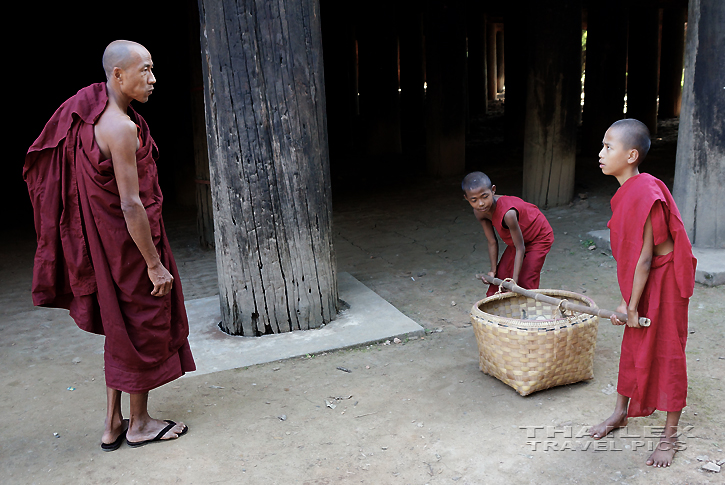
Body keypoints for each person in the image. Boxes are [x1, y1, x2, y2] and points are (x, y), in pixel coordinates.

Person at [23, 40, 195, 451]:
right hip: (130, 249)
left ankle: (112, 422)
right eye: (145, 71)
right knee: (143, 323)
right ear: (118, 75)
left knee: (119, 327)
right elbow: (131, 203)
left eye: (153, 70)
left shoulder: (89, 115)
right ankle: (139, 424)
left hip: (104, 248)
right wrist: (154, 263)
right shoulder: (121, 128)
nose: (153, 80)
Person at [588, 119, 696, 467]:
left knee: (668, 351)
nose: (601, 153)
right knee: (632, 344)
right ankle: (620, 412)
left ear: (631, 155)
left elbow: (646, 256)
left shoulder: (644, 190)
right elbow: (634, 255)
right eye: (603, 146)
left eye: (608, 146)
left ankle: (669, 435)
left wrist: (631, 306)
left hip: (663, 282)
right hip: (643, 280)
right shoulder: (627, 191)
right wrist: (626, 301)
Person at [462, 172, 554, 297]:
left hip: (538, 236)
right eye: (474, 200)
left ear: (493, 190)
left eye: (484, 196)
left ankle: (525, 314)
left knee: (525, 281)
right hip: (517, 239)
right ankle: (499, 314)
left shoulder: (508, 213)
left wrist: (514, 283)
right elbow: (492, 241)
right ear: (466, 198)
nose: (481, 203)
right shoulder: (479, 212)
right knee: (501, 276)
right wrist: (493, 270)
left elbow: (520, 248)